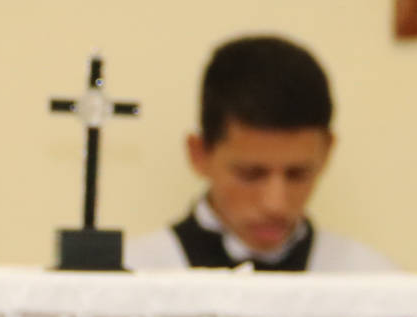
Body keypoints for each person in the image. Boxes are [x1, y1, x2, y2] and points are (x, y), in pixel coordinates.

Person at [126, 34, 395, 273]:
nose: (275, 204)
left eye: (298, 174)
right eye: (250, 174)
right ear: (199, 154)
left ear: (326, 153)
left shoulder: (373, 280)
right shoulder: (131, 275)